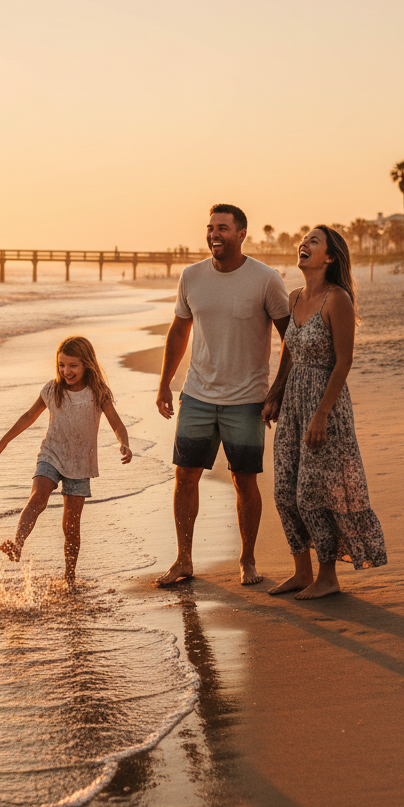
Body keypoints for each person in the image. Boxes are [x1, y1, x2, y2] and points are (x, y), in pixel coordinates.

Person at [155, 203, 291, 587]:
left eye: (223, 228)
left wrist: (276, 391)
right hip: (197, 394)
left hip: (247, 399)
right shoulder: (192, 276)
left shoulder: (265, 279)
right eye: (211, 228)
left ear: (241, 233)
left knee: (244, 480)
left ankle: (247, 560)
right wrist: (166, 382)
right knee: (185, 477)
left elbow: (290, 339)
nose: (215, 234)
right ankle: (183, 560)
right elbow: (180, 330)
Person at [261, 226, 386, 598]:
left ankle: (327, 576)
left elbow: (344, 362)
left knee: (312, 494)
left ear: (329, 257)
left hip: (325, 405)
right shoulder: (295, 296)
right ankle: (301, 571)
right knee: (284, 490)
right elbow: (289, 350)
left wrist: (321, 415)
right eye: (304, 239)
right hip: (294, 402)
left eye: (314, 241)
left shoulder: (338, 299)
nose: (304, 243)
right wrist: (275, 392)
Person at [0, 336, 132, 587]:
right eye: (62, 365)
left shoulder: (98, 392)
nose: (66, 371)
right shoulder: (52, 389)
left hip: (80, 463)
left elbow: (117, 423)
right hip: (51, 454)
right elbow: (29, 416)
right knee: (38, 496)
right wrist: (3, 442)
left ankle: (69, 577)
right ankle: (17, 544)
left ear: (87, 364)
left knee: (71, 525)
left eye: (73, 365)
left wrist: (124, 442)